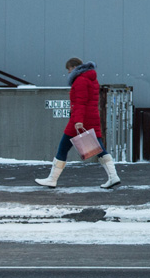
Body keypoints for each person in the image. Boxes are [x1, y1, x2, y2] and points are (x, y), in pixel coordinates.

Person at [35, 58, 120, 189]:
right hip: (91, 117)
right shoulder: (92, 79)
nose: (68, 72)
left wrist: (78, 121)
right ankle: (113, 176)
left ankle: (52, 179)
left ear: (74, 67)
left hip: (80, 120)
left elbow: (80, 102)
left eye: (69, 69)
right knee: (99, 148)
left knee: (63, 147)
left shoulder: (80, 80)